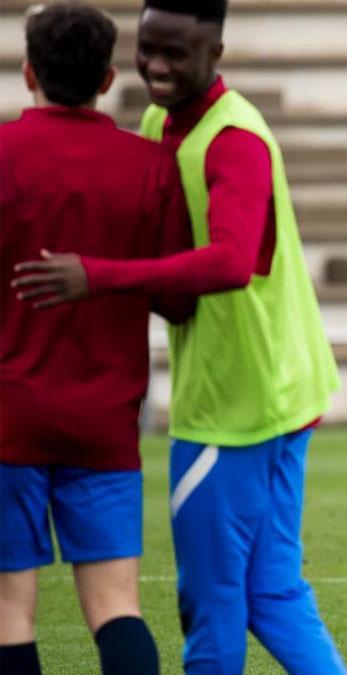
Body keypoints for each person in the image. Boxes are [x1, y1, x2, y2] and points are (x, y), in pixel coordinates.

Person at [12, 0, 347, 672]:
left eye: (177, 53)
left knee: (212, 605)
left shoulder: (235, 140)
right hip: (285, 382)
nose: (158, 67)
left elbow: (227, 260)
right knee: (272, 591)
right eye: (148, 49)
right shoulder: (161, 122)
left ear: (215, 55)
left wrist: (95, 276)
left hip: (234, 401)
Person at [1, 2, 194, 673]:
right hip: (105, 416)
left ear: (29, 72)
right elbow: (175, 294)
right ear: (108, 79)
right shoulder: (150, 165)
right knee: (116, 605)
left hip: (7, 414)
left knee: (9, 613)